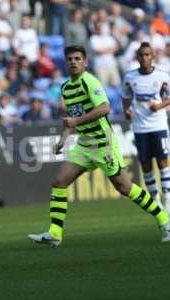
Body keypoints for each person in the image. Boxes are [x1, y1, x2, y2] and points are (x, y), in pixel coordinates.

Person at [27, 45, 170, 247]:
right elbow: (70, 119)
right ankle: (55, 233)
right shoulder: (66, 87)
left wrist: (77, 123)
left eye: (78, 58)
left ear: (85, 62)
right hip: (85, 144)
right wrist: (62, 139)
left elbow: (105, 108)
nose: (73, 62)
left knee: (124, 187)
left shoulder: (90, 81)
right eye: (70, 59)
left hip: (103, 143)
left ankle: (164, 220)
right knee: (59, 182)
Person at [122, 42, 170, 212]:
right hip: (140, 127)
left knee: (163, 161)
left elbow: (169, 97)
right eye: (141, 55)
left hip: (159, 125)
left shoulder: (163, 76)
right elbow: (126, 97)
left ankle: (167, 198)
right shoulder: (129, 77)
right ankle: (155, 200)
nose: (144, 58)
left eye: (147, 55)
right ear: (137, 57)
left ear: (153, 56)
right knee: (146, 164)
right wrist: (126, 111)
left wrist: (159, 106)